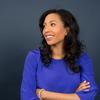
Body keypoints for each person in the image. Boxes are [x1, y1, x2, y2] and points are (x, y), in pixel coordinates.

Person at [20, 9, 98, 100]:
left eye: (52, 24)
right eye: (44, 26)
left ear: (66, 30)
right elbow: (27, 97)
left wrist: (44, 94)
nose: (46, 30)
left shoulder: (82, 58)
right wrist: (74, 95)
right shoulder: (33, 57)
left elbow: (90, 94)